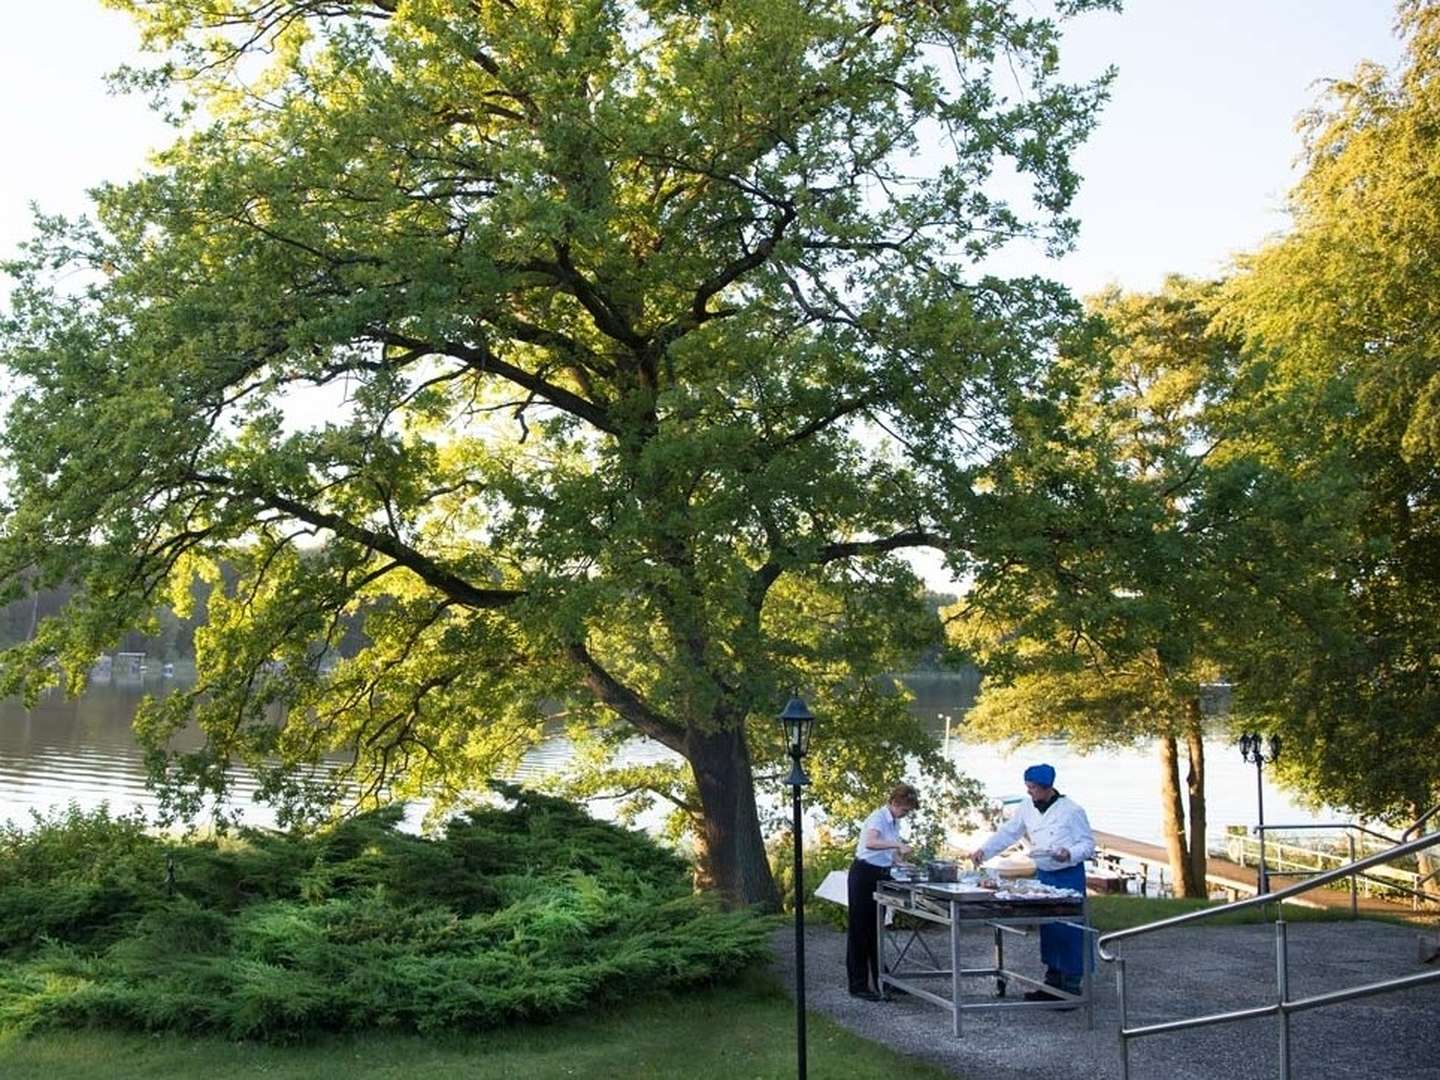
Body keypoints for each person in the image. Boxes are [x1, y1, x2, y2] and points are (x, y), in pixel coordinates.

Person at [969, 763, 1095, 1001]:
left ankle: (1071, 987)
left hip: (1068, 874)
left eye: (1033, 788)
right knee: (1049, 929)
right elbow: (1009, 832)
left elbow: (1087, 845)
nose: (1029, 792)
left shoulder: (1072, 810)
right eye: (1027, 787)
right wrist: (984, 851)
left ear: (1048, 788)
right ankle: (1051, 983)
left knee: (1070, 930)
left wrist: (1068, 852)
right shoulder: (1027, 807)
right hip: (1044, 874)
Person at [847, 782, 920, 1001]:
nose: (906, 814)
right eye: (905, 809)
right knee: (861, 931)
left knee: (876, 930)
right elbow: (870, 843)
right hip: (864, 874)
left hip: (880, 873)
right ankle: (858, 984)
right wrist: (897, 846)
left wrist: (900, 863)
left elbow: (887, 850)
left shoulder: (894, 822)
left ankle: (883, 980)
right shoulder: (878, 817)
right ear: (895, 803)